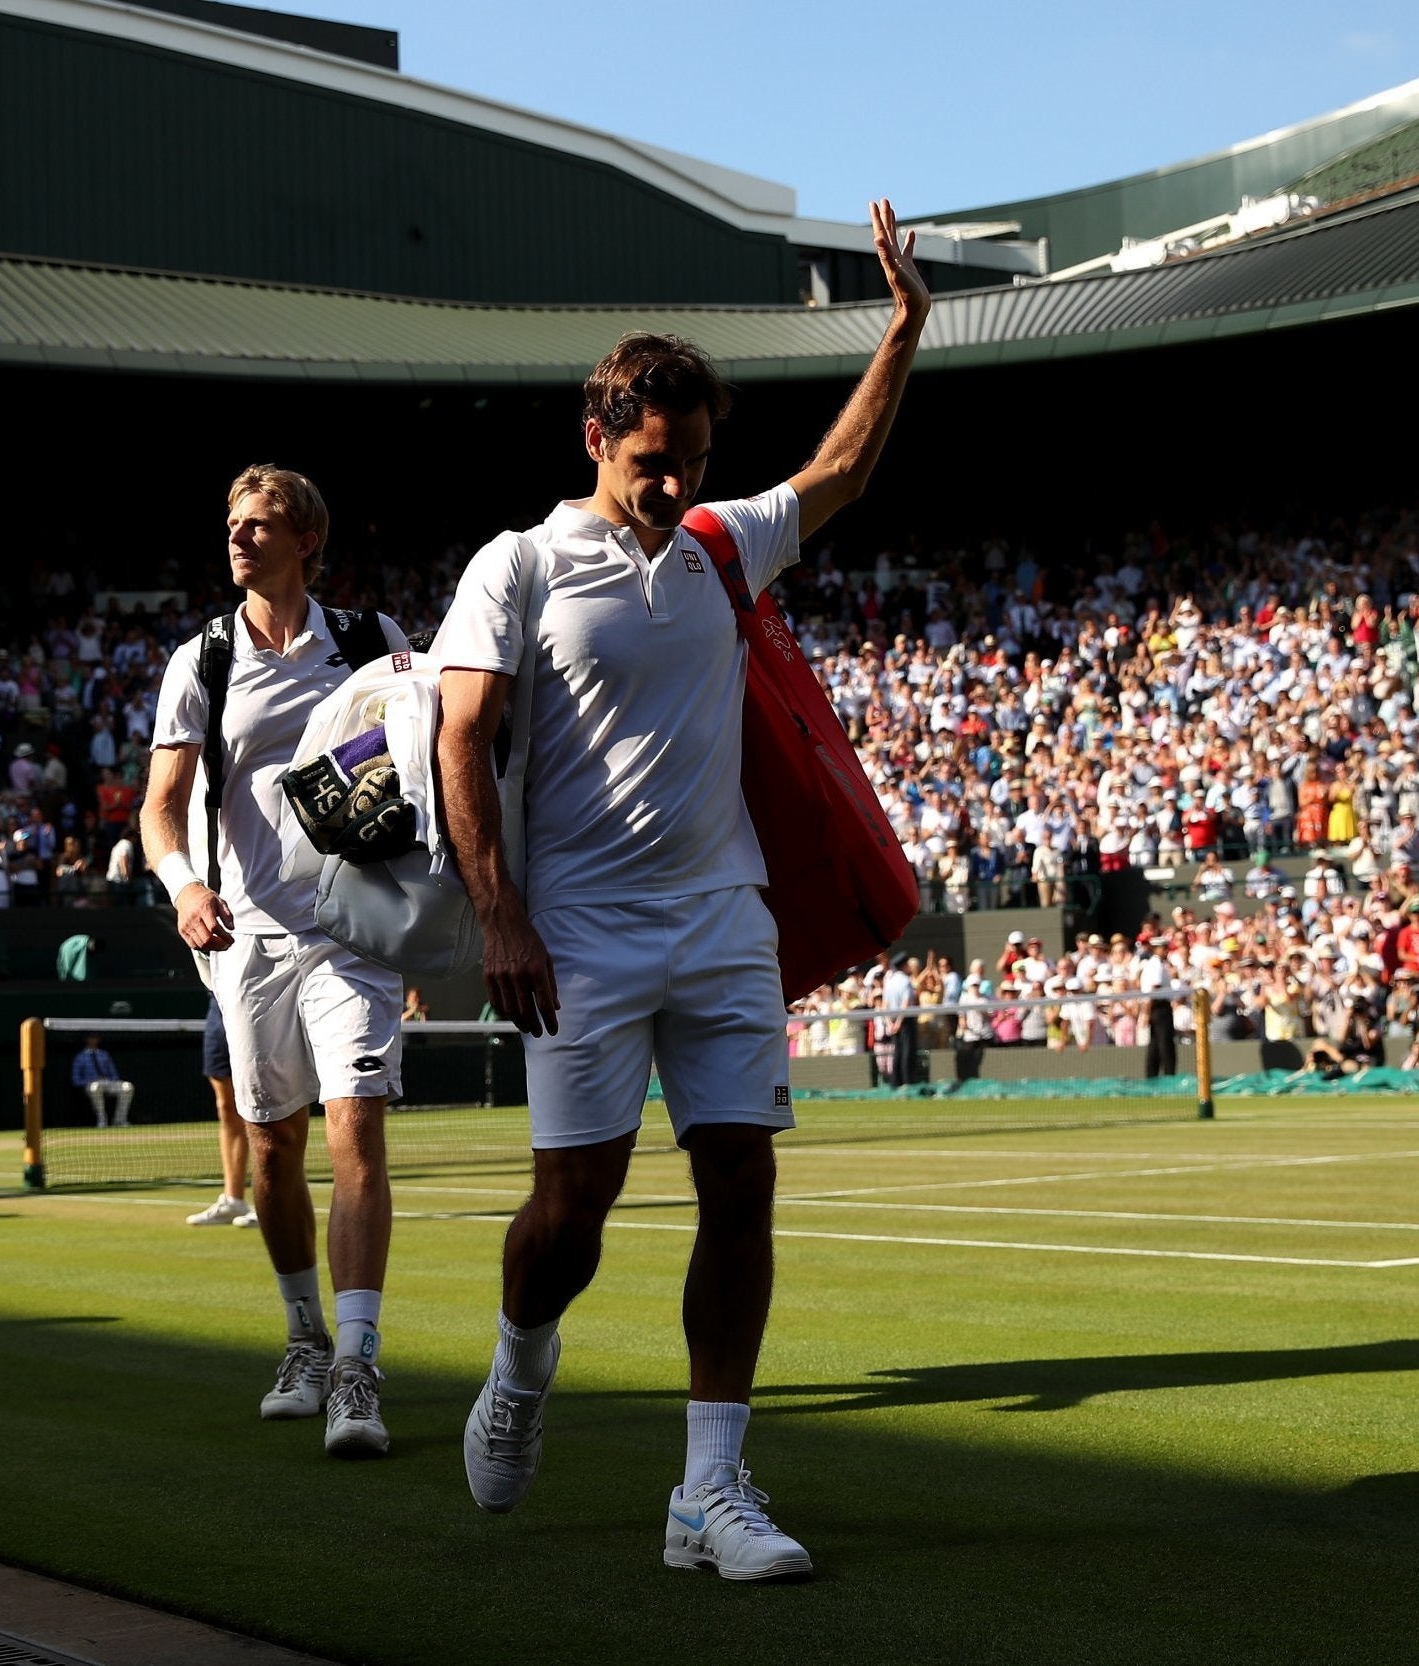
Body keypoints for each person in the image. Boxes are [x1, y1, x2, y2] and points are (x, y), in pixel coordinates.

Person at [434, 200, 929, 1581]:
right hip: (574, 937)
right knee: (569, 1213)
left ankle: (708, 1491)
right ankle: (521, 1368)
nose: (676, 484)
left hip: (724, 921)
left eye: (697, 460)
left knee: (742, 1183)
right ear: (596, 437)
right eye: (655, 462)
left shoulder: (720, 546)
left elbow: (838, 474)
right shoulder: (516, 566)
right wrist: (501, 914)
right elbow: (459, 736)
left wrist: (903, 331)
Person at [141, 464, 411, 1461]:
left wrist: (430, 909)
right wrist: (181, 886)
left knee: (355, 1137)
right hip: (244, 937)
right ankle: (302, 1339)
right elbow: (161, 807)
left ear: (307, 541)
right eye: (232, 524)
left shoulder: (372, 644)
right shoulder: (201, 661)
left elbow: (429, 758)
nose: (240, 540)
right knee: (273, 1153)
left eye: (261, 526)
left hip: (355, 931)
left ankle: (357, 1365)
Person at [186, 993, 259, 1227]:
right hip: (218, 999)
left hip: (260, 995)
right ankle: (233, 1199)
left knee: (266, 1101)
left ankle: (274, 1199)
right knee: (225, 1105)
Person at [71, 1033, 134, 1128]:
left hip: (107, 1082)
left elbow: (114, 1074)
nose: (93, 1040)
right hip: (91, 1084)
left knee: (127, 1087)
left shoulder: (104, 1055)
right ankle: (102, 1120)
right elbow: (76, 1080)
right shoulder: (80, 1057)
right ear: (86, 1040)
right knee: (95, 1088)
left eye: (95, 1038)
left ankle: (119, 1120)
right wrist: (90, 1081)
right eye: (90, 1038)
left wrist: (110, 1081)